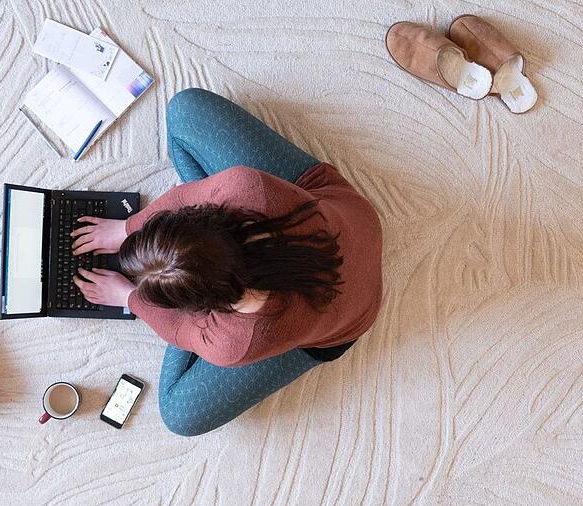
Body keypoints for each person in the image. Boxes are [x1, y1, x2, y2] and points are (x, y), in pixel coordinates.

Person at [71, 88, 382, 436]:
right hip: (352, 217)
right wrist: (127, 228)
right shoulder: (245, 186)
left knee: (178, 416)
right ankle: (189, 255)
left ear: (206, 309)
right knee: (185, 108)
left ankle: (185, 271)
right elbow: (184, 198)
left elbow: (181, 330)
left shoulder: (237, 340)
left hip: (346, 321)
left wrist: (130, 299)